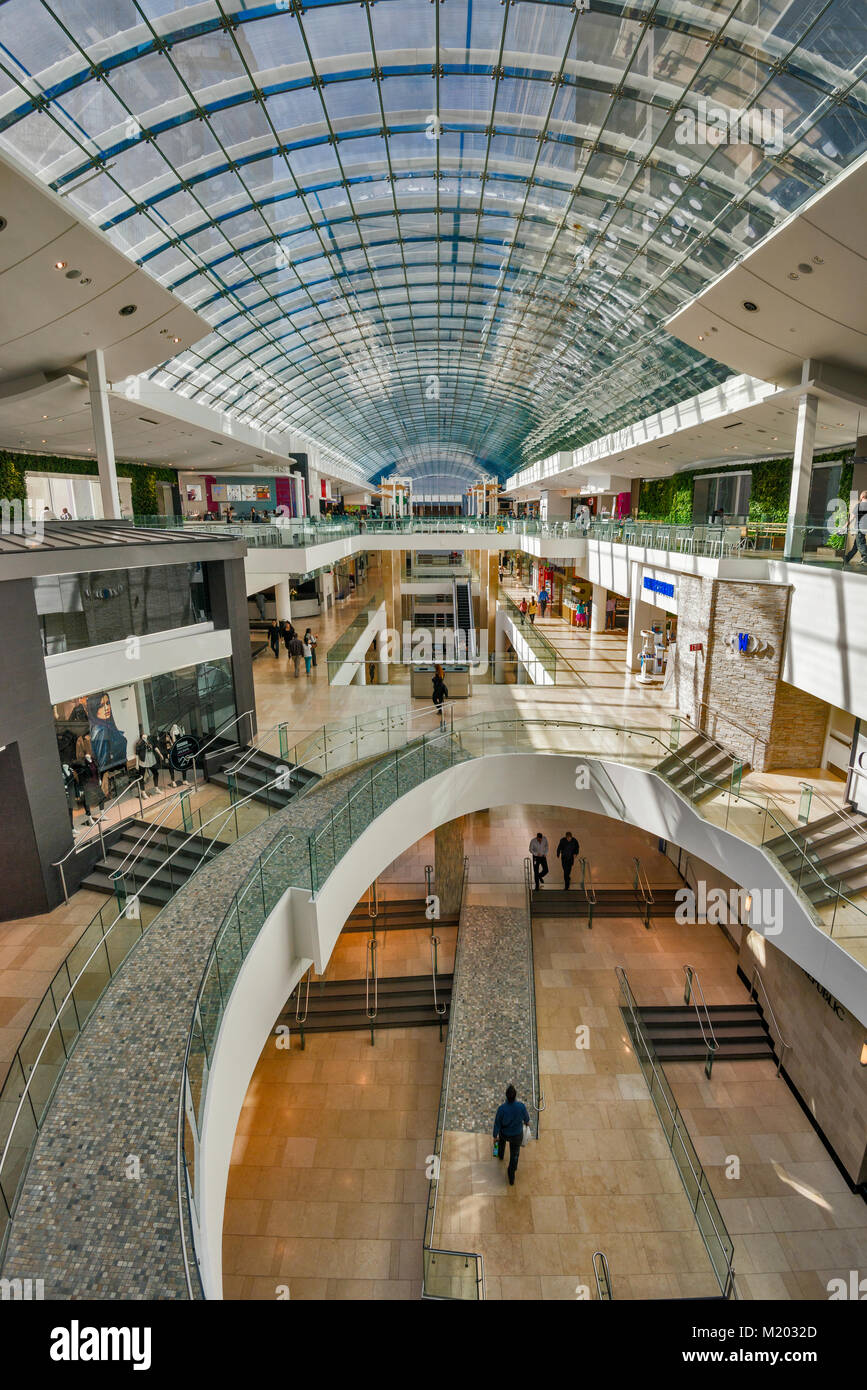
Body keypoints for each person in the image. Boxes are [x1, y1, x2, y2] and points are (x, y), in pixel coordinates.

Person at [493, 1084, 530, 1186]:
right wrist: (526, 1123)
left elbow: (497, 1123)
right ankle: (511, 1174)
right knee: (515, 1154)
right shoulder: (521, 1106)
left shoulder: (502, 1109)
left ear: (506, 1096)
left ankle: (500, 1154)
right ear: (515, 1096)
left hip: (505, 1133)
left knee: (501, 1142)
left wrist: (495, 1135)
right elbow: (526, 1119)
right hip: (517, 1135)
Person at [85, 692, 128, 774]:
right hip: (115, 774)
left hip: (118, 772)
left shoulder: (107, 726)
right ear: (94, 709)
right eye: (101, 705)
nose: (106, 708)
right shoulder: (101, 731)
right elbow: (104, 765)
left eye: (108, 703)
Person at [843, 490, 867, 567]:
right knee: (856, 545)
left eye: (860, 496)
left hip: (859, 528)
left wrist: (844, 526)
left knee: (860, 544)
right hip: (864, 528)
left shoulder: (859, 506)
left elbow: (852, 518)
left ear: (862, 497)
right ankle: (847, 558)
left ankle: (866, 559)